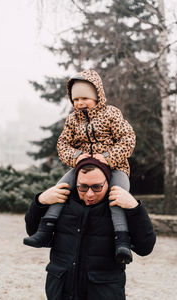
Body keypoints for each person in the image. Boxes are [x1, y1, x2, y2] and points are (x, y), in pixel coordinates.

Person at [23, 69, 136, 264]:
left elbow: (127, 138)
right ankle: (45, 230)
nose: (79, 103)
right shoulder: (72, 120)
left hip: (115, 166)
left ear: (97, 96)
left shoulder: (111, 114)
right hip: (82, 167)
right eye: (75, 100)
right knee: (61, 189)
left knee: (117, 196)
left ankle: (122, 241)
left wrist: (108, 157)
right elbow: (62, 144)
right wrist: (75, 156)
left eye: (85, 97)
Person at [24, 158, 156, 300]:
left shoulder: (122, 205)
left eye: (97, 187)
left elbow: (145, 247)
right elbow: (33, 232)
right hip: (60, 291)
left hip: (104, 293)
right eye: (83, 187)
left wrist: (135, 209)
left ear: (108, 181)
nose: (89, 194)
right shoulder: (61, 201)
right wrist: (39, 202)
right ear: (75, 182)